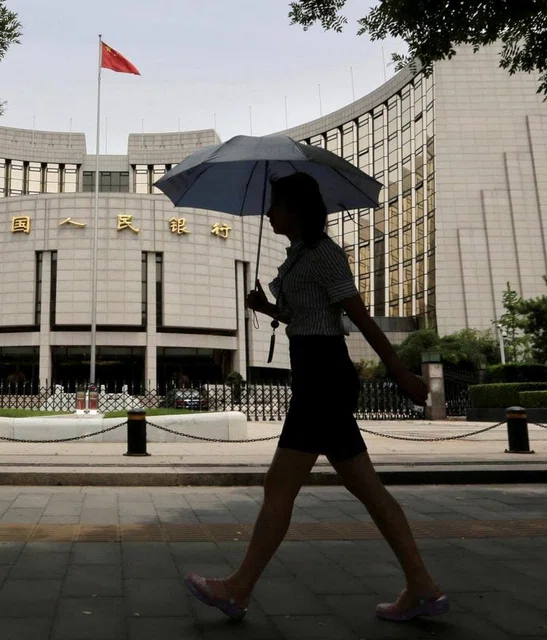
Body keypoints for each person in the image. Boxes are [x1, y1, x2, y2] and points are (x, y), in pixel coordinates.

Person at [184, 172, 448, 623]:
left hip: (324, 376)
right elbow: (305, 315)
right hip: (314, 373)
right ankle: (422, 586)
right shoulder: (299, 256)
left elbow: (359, 317)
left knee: (280, 485)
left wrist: (400, 371)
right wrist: (266, 308)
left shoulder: (324, 254)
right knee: (365, 488)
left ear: (298, 209)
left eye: (276, 204)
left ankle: (238, 589)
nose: (269, 212)